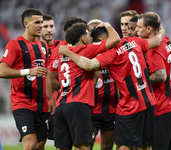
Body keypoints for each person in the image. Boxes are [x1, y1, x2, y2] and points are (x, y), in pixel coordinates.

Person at [59, 12, 165, 150]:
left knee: (122, 146)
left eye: (96, 42)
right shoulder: (134, 41)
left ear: (102, 39)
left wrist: (68, 52)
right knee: (145, 146)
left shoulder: (110, 54)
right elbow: (157, 40)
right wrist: (161, 29)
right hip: (149, 102)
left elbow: (89, 65)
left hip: (129, 106)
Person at [54, 21, 120, 150]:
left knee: (62, 148)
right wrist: (107, 25)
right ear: (83, 39)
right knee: (83, 147)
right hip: (78, 104)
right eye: (90, 35)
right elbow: (115, 39)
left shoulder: (63, 54)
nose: (92, 38)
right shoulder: (84, 49)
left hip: (60, 106)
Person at [0, 8, 55, 150]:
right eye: (37, 22)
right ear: (26, 23)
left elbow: (46, 74)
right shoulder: (15, 44)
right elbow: (2, 71)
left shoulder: (43, 46)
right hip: (22, 103)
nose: (40, 26)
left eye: (41, 22)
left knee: (40, 145)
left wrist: (51, 99)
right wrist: (27, 71)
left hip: (41, 104)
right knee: (30, 143)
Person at [136, 12, 171, 150]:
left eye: (139, 27)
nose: (136, 30)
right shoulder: (169, 42)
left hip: (162, 107)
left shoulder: (154, 49)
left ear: (149, 29)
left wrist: (139, 81)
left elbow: (161, 75)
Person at [88, 19, 118, 150]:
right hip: (91, 108)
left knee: (107, 147)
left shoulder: (114, 52)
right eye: (92, 30)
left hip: (111, 108)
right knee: (87, 145)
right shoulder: (86, 53)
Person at [40, 14, 60, 141]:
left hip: (58, 103)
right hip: (38, 102)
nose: (49, 30)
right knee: (37, 144)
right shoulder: (33, 48)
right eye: (45, 26)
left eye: (51, 26)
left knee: (61, 142)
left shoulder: (62, 46)